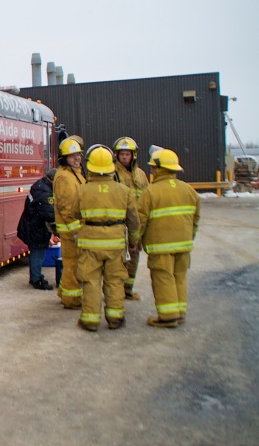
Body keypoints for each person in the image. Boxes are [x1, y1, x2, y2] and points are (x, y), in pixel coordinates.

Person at [71, 146, 140, 331]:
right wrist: (133, 242)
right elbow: (133, 221)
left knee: (91, 281)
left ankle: (90, 321)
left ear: (91, 167)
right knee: (115, 281)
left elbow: (74, 213)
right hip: (115, 245)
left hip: (90, 244)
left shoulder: (82, 190)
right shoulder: (124, 191)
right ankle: (115, 319)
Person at [138, 148, 200, 328]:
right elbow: (195, 219)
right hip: (184, 245)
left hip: (160, 246)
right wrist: (189, 237)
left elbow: (140, 220)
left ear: (160, 169)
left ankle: (168, 317)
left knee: (163, 278)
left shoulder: (150, 192)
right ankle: (180, 313)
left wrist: (135, 241)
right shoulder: (189, 191)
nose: (151, 170)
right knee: (179, 277)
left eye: (153, 167)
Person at [112, 137, 150, 300]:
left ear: (133, 155)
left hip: (137, 223)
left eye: (127, 154)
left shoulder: (140, 175)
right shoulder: (113, 173)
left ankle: (128, 289)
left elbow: (147, 196)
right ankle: (117, 291)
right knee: (119, 260)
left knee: (134, 258)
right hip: (120, 223)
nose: (124, 157)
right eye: (122, 154)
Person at [53, 135, 86, 309]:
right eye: (72, 156)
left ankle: (64, 292)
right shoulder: (65, 177)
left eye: (78, 155)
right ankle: (71, 299)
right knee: (72, 264)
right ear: (64, 158)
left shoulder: (75, 174)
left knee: (72, 263)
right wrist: (76, 231)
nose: (77, 158)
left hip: (74, 228)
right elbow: (66, 208)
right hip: (70, 230)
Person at [17, 168, 57, 290]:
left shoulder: (40, 186)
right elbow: (49, 213)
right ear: (53, 179)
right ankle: (37, 279)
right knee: (37, 252)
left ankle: (34, 276)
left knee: (36, 251)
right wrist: (58, 230)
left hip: (32, 225)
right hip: (36, 227)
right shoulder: (45, 192)